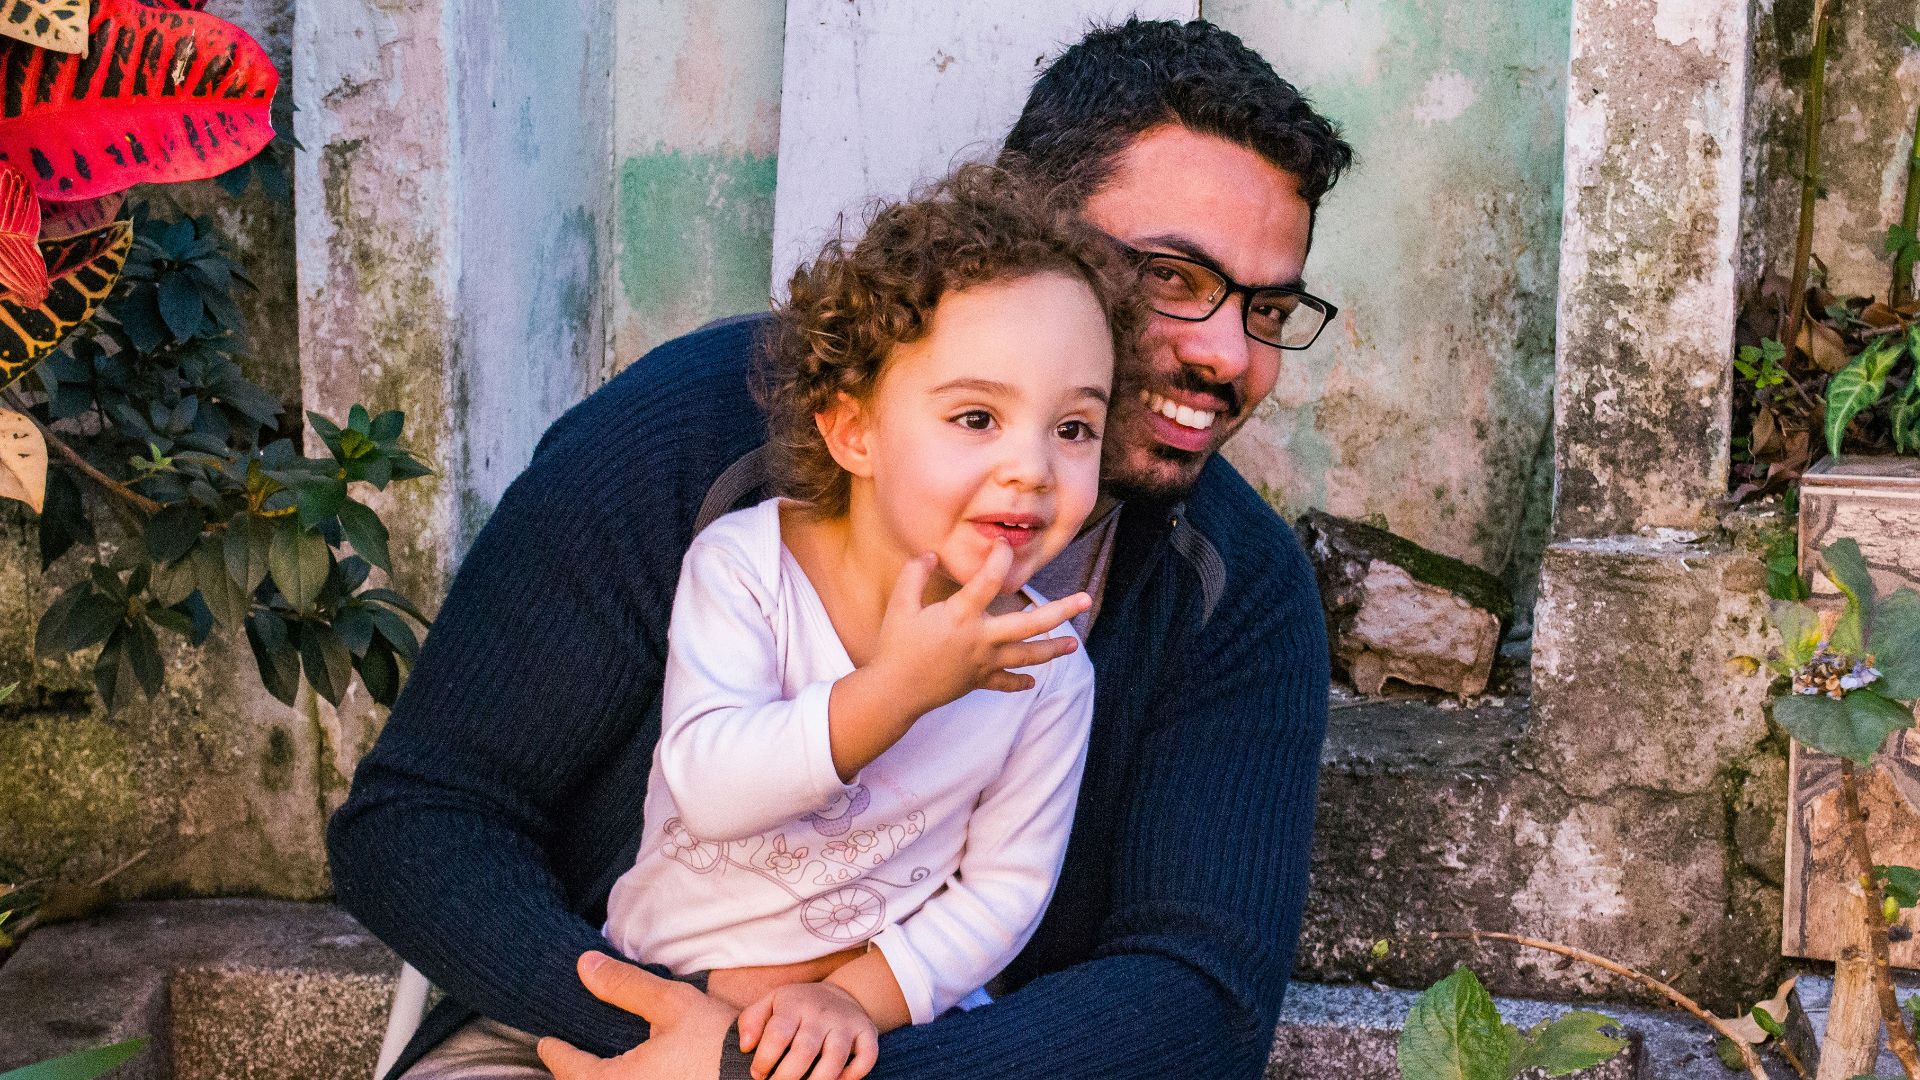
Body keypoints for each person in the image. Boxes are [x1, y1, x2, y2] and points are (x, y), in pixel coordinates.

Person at [328, 17, 1352, 1080]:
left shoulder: (1231, 592)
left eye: (1267, 307)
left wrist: (752, 1072)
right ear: (1032, 235)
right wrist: (657, 1037)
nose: (1229, 355)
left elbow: (1198, 1000)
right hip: (579, 1030)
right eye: (1173, 279)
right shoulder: (699, 437)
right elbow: (423, 819)